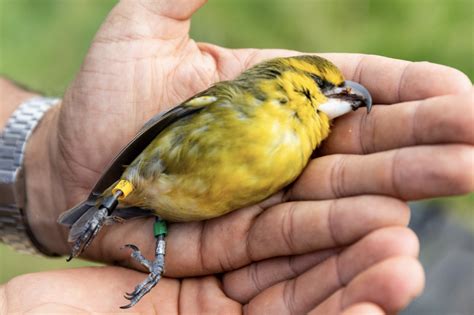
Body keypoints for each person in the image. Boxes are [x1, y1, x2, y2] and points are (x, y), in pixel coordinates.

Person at [0, 0, 472, 313]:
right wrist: (89, 183)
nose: (347, 95)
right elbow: (154, 132)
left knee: (162, 215)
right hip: (141, 177)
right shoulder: (231, 99)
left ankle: (155, 258)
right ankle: (108, 204)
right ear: (295, 82)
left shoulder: (304, 147)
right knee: (139, 187)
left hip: (179, 209)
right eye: (327, 86)